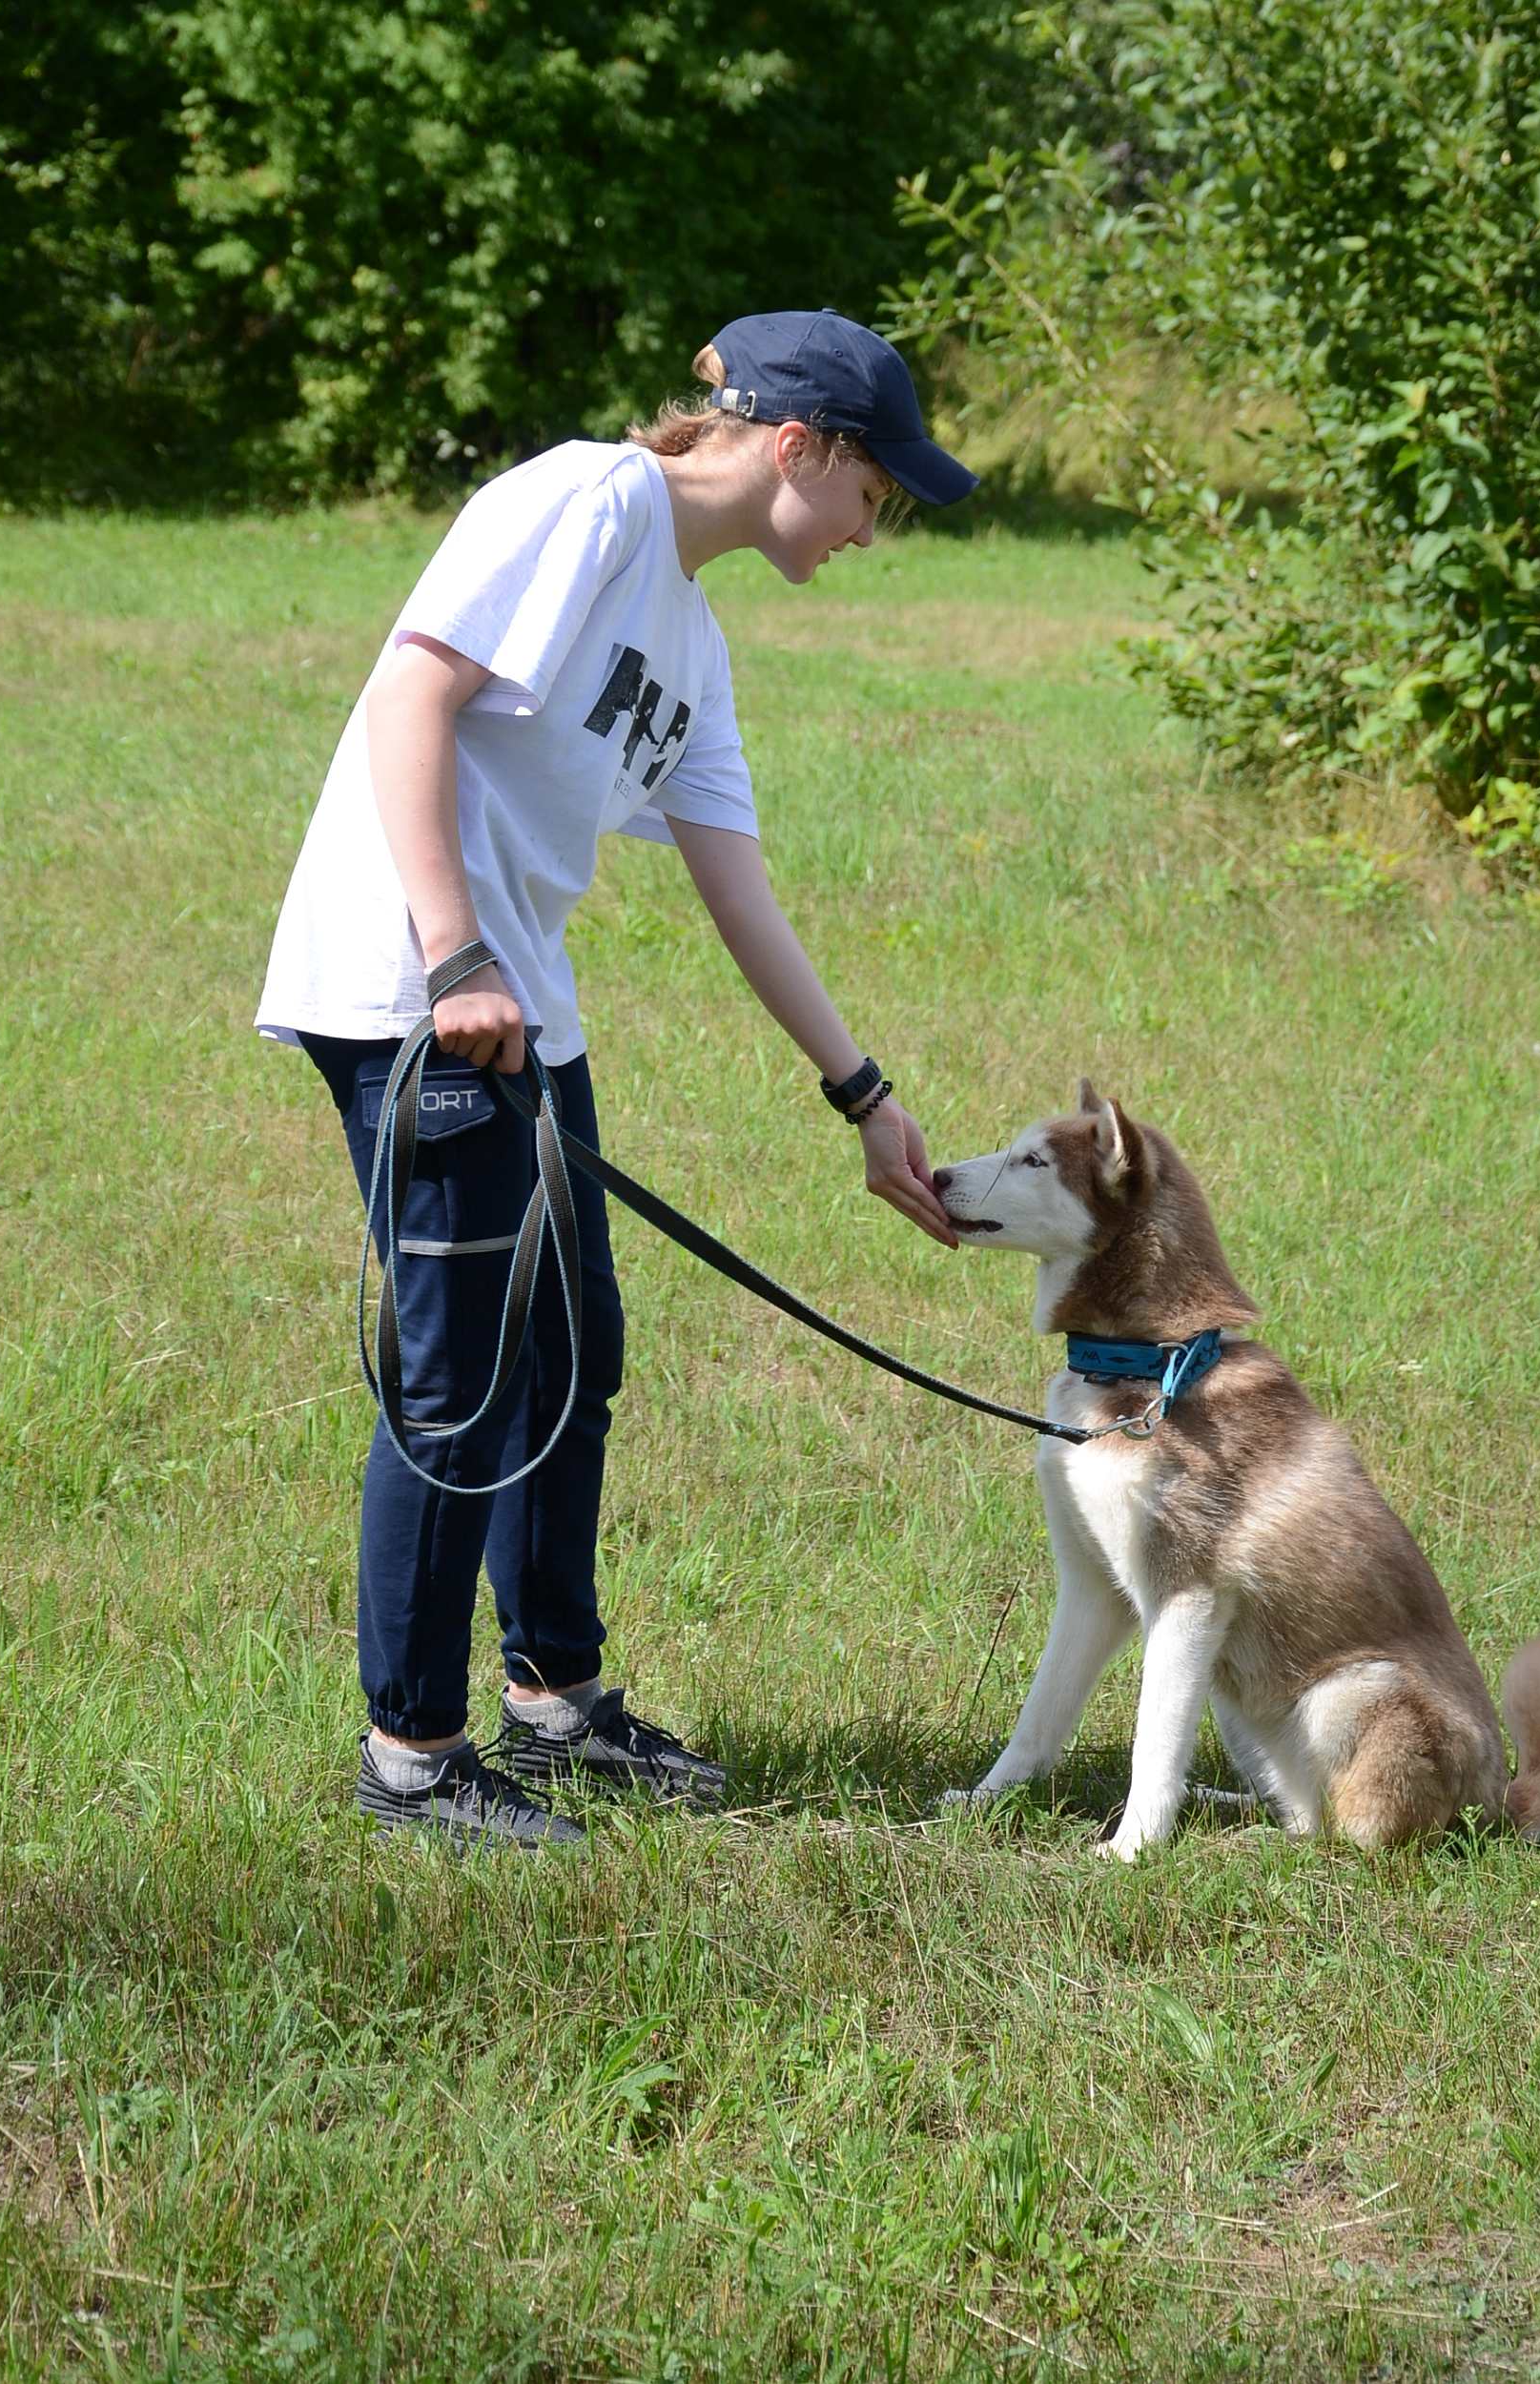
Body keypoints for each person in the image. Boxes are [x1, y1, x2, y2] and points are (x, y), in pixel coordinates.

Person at [257, 309, 978, 1847]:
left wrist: (866, 1099)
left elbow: (738, 882)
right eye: (876, 494)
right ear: (801, 448)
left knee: (572, 1356)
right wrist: (453, 958)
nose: (872, 529)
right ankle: (410, 1757)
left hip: (524, 1017)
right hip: (417, 994)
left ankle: (555, 1705)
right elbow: (409, 697)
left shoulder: (693, 635)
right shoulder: (584, 502)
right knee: (460, 1391)